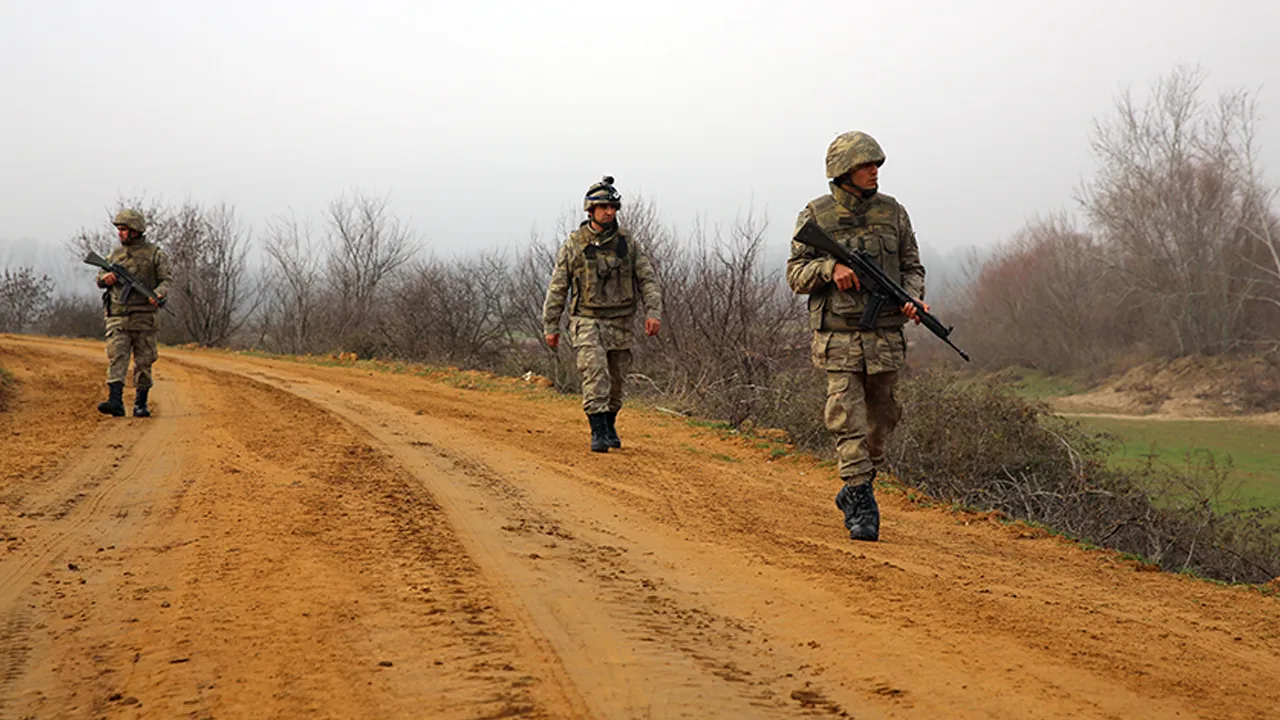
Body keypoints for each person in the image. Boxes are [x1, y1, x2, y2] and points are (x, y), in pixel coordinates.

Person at [786, 132, 929, 541]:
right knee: (847, 419)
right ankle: (861, 499)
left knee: (882, 420)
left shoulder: (894, 213)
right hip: (840, 338)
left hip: (884, 337)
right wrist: (829, 269)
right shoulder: (816, 215)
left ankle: (855, 486)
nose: (874, 171)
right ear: (844, 171)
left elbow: (912, 267)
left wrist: (911, 299)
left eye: (877, 165)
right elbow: (795, 274)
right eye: (866, 165)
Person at [542, 176, 663, 453]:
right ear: (591, 210)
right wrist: (551, 325)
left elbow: (647, 279)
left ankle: (609, 425)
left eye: (613, 207)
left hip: (620, 320)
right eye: (604, 207)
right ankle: (597, 430)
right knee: (595, 374)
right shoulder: (575, 244)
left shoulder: (627, 243)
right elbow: (558, 286)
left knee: (617, 380)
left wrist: (653, 312)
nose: (610, 212)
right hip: (587, 320)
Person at [95, 208, 171, 418]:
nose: (120, 233)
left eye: (124, 229)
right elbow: (99, 278)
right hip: (118, 316)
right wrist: (106, 279)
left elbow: (166, 280)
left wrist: (158, 294)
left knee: (144, 361)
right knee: (117, 356)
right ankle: (115, 401)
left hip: (145, 318)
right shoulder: (114, 255)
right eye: (119, 229)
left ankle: (141, 403)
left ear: (135, 230)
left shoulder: (155, 254)